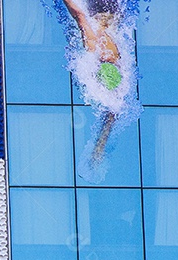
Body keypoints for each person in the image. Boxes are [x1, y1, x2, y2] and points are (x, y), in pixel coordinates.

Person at [61, 0, 125, 163]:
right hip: (105, 11)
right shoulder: (99, 43)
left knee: (113, 111)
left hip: (106, 11)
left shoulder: (96, 42)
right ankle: (97, 152)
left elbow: (80, 15)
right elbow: (79, 15)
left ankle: (97, 152)